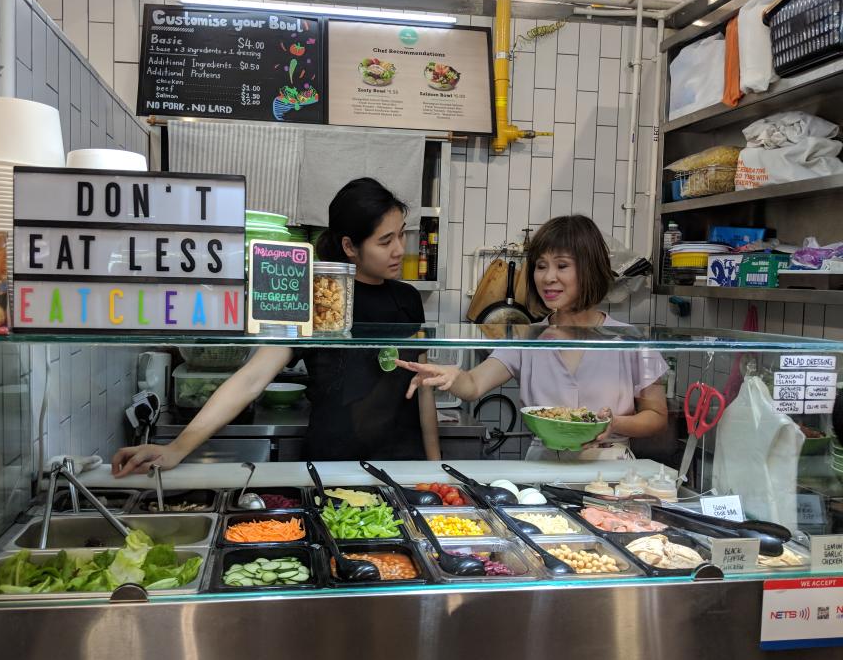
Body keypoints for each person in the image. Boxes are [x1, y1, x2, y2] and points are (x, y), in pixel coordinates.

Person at [112, 178, 439, 476]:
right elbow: (251, 379)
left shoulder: (407, 299)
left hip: (404, 467)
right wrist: (176, 449)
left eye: (401, 235)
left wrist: (436, 468)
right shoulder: (314, 297)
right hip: (333, 468)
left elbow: (423, 389)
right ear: (350, 247)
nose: (399, 249)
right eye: (385, 241)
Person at [399, 214, 667, 460]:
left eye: (562, 265)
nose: (548, 277)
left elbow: (656, 416)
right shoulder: (527, 336)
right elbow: (473, 385)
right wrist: (450, 376)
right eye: (541, 266)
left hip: (611, 469)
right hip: (544, 465)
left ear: (589, 269)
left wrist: (615, 424)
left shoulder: (630, 339)